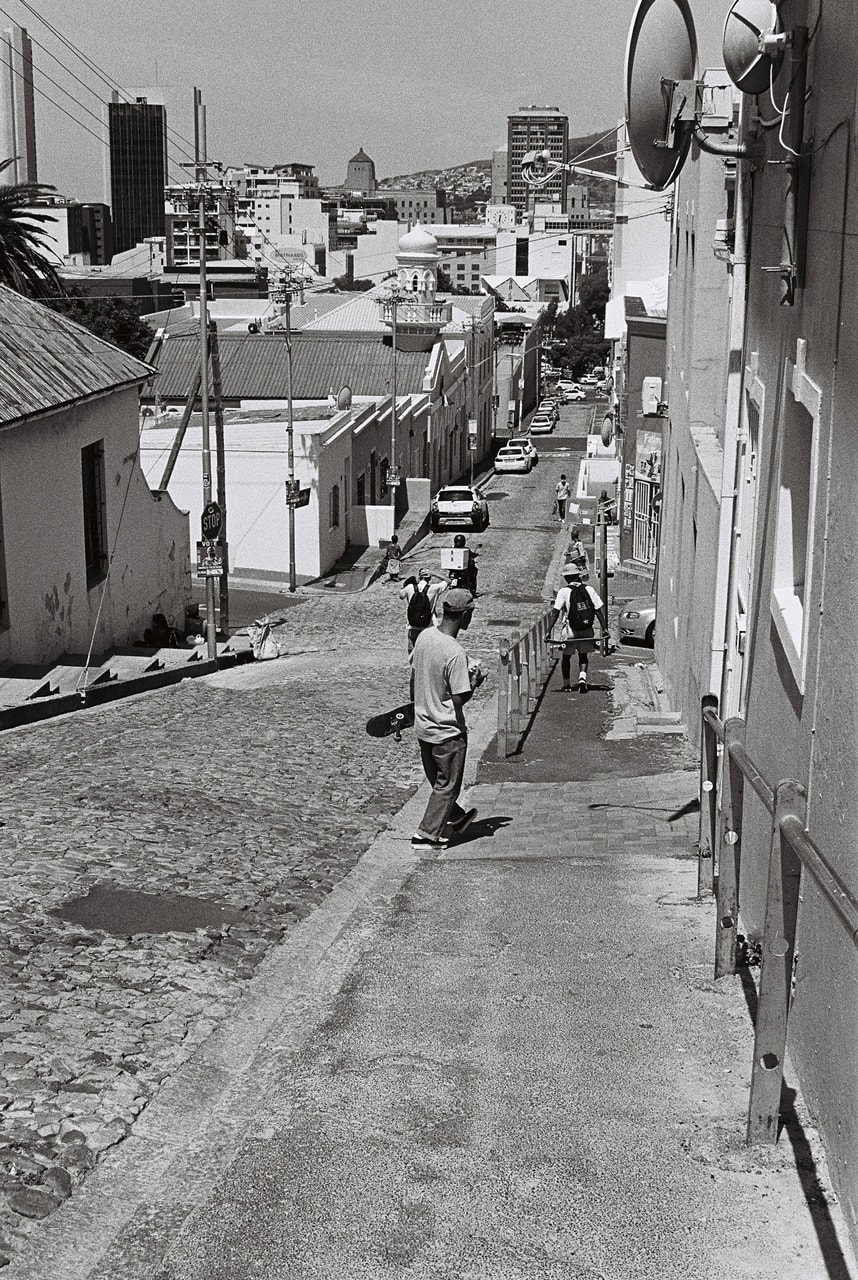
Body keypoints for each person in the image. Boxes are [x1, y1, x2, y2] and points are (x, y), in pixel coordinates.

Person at [410, 588, 484, 849]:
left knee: (440, 781)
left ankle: (457, 817)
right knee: (447, 785)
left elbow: (415, 676)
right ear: (465, 616)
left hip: (424, 726)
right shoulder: (454, 652)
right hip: (447, 731)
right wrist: (475, 681)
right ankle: (425, 835)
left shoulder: (425, 637)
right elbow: (459, 699)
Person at [548, 564, 609, 692]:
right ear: (578, 575)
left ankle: (566, 685)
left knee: (566, 657)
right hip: (586, 629)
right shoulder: (589, 589)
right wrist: (604, 628)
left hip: (571, 630)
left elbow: (555, 612)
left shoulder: (564, 592)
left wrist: (549, 631)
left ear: (566, 578)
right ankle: (582, 679)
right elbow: (598, 610)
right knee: (583, 656)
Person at [400, 568, 445, 653]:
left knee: (412, 647)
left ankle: (413, 664)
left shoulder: (410, 587)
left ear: (419, 577)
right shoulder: (434, 588)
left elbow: (401, 595)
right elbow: (448, 581)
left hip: (412, 623)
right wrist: (434, 573)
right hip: (428, 624)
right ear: (430, 578)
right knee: (428, 649)